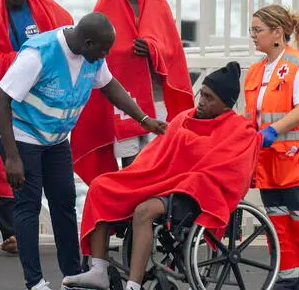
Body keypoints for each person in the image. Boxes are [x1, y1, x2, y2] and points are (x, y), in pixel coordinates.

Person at [0, 12, 166, 290]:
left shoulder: (92, 55)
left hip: (56, 138)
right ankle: (34, 282)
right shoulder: (38, 54)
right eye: (103, 51)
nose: (105, 56)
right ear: (87, 43)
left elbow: (110, 86)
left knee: (64, 202)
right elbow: (0, 99)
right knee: (29, 204)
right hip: (21, 135)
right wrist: (12, 157)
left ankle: (73, 276)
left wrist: (144, 119)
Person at [63, 62, 261, 290]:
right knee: (100, 186)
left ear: (226, 105)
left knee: (144, 211)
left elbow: (227, 170)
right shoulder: (186, 117)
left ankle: (134, 285)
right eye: (201, 95)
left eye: (209, 98)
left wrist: (185, 142)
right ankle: (98, 269)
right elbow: (158, 154)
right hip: (162, 181)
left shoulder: (239, 130)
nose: (202, 102)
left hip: (193, 193)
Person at [0, 0, 74, 254]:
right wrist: (21, 61)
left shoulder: (48, 9)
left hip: (43, 101)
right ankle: (11, 232)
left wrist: (41, 66)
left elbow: (69, 39)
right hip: (6, 99)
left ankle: (50, 232)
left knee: (49, 165)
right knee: (4, 159)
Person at [71, 0, 193, 181]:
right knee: (129, 162)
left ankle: (151, 213)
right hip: (122, 101)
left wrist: (152, 49)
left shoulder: (157, 7)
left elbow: (172, 51)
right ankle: (129, 212)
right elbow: (96, 50)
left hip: (156, 98)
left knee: (157, 160)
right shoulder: (106, 7)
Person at [244, 4, 299, 290]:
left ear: (277, 33)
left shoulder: (297, 66)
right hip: (271, 165)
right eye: (252, 30)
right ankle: (288, 281)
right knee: (279, 229)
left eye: (257, 30)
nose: (253, 36)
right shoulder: (257, 71)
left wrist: (274, 130)